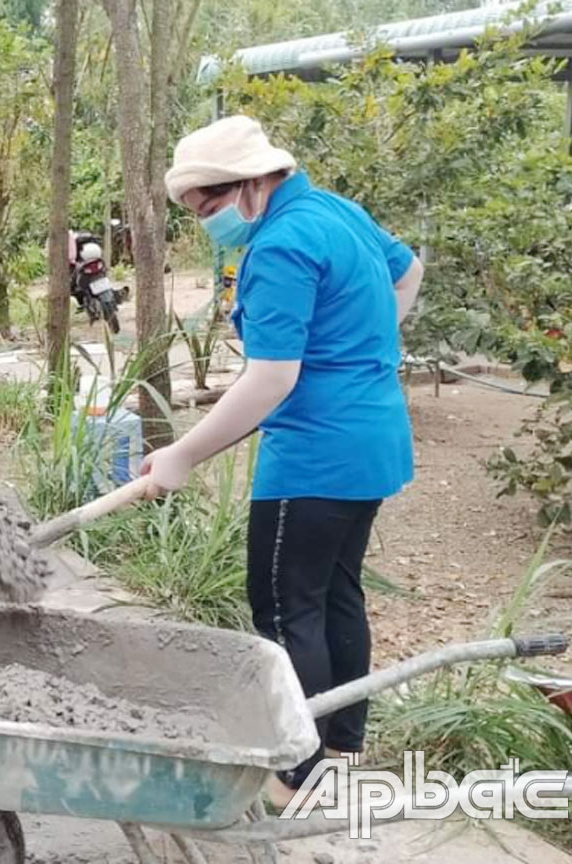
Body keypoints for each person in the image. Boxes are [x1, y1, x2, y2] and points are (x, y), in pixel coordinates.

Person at [151, 115, 423, 805]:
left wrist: (180, 456)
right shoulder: (334, 211)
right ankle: (341, 748)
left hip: (314, 457)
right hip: (373, 441)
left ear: (247, 184)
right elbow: (409, 269)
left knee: (284, 608)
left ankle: (293, 774)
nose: (206, 224)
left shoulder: (278, 247)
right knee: (336, 594)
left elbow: (270, 379)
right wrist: (360, 351)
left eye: (207, 209)